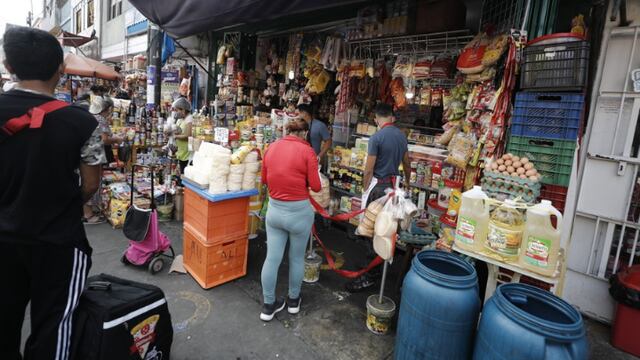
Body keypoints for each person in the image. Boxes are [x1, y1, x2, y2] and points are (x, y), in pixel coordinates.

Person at [0, 26, 105, 359]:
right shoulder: (83, 122)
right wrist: (69, 204)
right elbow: (91, 184)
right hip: (58, 240)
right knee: (54, 327)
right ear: (61, 69)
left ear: (8, 65)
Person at [260, 119, 322, 321]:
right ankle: (293, 301)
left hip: (275, 210)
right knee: (296, 258)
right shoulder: (308, 152)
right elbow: (316, 186)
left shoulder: (271, 148)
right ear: (304, 133)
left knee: (272, 258)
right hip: (299, 213)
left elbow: (264, 180)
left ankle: (268, 306)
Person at [346, 103, 411, 292]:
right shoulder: (401, 136)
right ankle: (376, 266)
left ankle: (369, 275)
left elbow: (369, 168)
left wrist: (365, 188)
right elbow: (407, 163)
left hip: (377, 188)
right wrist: (407, 182)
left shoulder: (376, 137)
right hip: (394, 188)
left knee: (371, 231)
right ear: (392, 117)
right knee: (386, 229)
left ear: (376, 119)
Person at [83, 95, 123, 224]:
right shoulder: (100, 119)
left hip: (88, 153)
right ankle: (88, 214)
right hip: (94, 154)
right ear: (106, 109)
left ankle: (88, 210)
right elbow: (105, 139)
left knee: (87, 181)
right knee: (92, 183)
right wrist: (117, 139)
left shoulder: (92, 117)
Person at [171, 97, 193, 174]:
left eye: (177, 110)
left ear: (183, 110)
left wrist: (175, 137)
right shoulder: (180, 119)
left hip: (187, 153)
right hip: (180, 151)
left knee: (184, 174)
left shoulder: (189, 119)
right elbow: (176, 130)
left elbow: (187, 135)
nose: (176, 112)